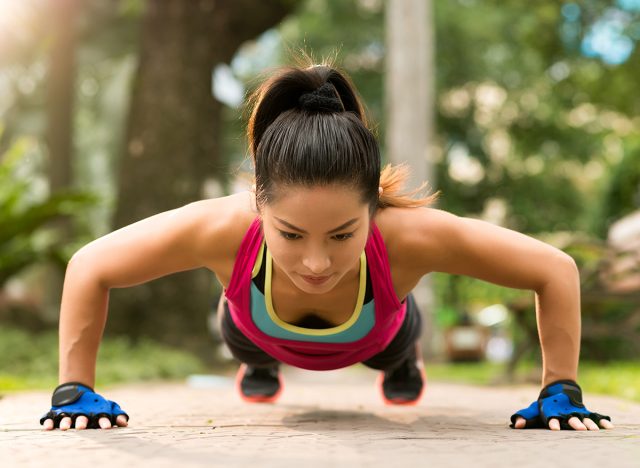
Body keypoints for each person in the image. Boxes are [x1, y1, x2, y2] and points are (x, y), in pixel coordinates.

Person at [41, 62, 614, 432]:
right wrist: (75, 389)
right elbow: (90, 265)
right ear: (258, 204)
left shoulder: (410, 236)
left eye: (344, 234)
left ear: (373, 209)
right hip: (254, 330)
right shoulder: (220, 229)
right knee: (244, 337)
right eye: (290, 234)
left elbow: (555, 269)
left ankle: (400, 366)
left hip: (379, 335)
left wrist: (560, 389)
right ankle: (260, 364)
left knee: (395, 345)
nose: (317, 263)